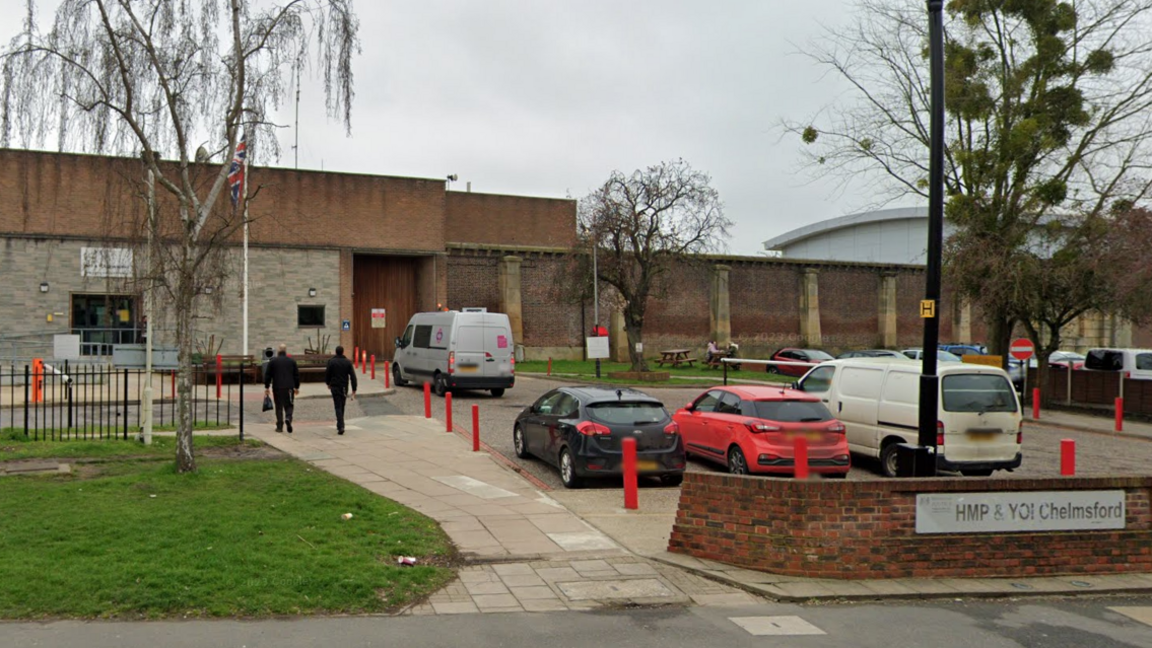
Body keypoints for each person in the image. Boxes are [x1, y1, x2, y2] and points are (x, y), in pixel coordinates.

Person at [263, 344, 300, 433]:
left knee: (278, 406)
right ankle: (288, 417)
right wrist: (296, 387)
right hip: (289, 387)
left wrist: (267, 387)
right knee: (289, 404)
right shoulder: (292, 361)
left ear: (278, 351)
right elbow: (296, 375)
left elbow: (268, 375)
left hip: (277, 387)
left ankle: (279, 426)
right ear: (285, 350)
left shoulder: (273, 361)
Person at [325, 345, 358, 435]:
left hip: (335, 386)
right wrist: (354, 388)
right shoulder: (347, 362)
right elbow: (353, 376)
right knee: (342, 405)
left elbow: (327, 374)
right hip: (344, 387)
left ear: (336, 352)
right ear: (343, 352)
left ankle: (340, 425)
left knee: (337, 406)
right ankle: (340, 424)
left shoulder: (331, 362)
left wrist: (328, 383)